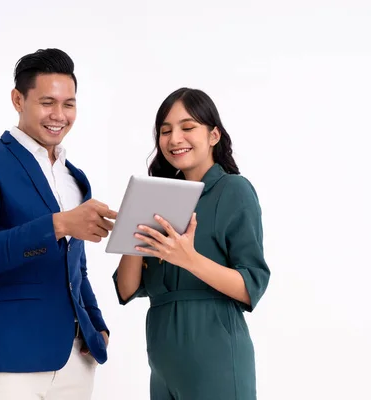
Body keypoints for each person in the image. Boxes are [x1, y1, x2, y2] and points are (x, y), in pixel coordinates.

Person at [0, 48, 117, 400]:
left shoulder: (75, 177)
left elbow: (76, 267)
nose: (59, 115)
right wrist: (57, 224)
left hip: (74, 362)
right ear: (18, 99)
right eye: (47, 102)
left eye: (69, 104)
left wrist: (96, 323)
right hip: (5, 359)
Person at [113, 88, 270, 399]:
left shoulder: (234, 190)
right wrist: (133, 223)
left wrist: (189, 259)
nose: (174, 139)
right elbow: (127, 289)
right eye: (165, 131)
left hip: (216, 356)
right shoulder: (159, 196)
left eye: (187, 128)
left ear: (213, 135)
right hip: (162, 363)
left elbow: (252, 285)